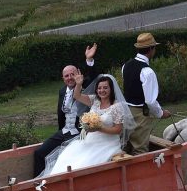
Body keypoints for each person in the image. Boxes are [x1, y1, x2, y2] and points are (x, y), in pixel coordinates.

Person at [40, 73, 134, 176]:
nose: (102, 90)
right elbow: (77, 96)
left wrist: (99, 128)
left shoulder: (116, 107)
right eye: (99, 88)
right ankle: (55, 182)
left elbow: (118, 130)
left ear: (111, 89)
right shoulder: (95, 101)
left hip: (106, 144)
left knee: (83, 163)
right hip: (89, 141)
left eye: (105, 88)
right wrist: (79, 84)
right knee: (66, 157)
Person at [32, 43, 98, 177]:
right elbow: (61, 115)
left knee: (65, 158)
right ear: (63, 79)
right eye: (66, 76)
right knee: (39, 153)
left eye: (72, 74)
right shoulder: (62, 91)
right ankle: (37, 183)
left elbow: (94, 77)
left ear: (78, 74)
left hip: (80, 134)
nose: (69, 78)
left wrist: (89, 60)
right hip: (64, 131)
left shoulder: (85, 86)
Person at [122, 32, 171, 155]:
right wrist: (161, 113)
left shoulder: (125, 66)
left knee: (125, 147)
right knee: (140, 150)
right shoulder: (147, 71)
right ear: (151, 49)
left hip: (126, 112)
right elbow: (150, 101)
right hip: (140, 114)